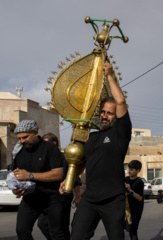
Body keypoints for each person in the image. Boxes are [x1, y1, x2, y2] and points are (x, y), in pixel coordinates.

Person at [60, 61, 132, 240]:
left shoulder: (120, 134)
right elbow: (81, 164)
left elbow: (121, 101)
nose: (105, 115)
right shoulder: (90, 138)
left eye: (110, 113)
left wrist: (109, 75)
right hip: (90, 199)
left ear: (116, 117)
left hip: (113, 199)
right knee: (77, 236)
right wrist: (67, 180)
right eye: (103, 112)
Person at [11, 120, 68, 240]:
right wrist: (16, 189)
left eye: (25, 137)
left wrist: (30, 176)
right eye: (19, 138)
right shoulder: (19, 151)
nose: (22, 141)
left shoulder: (50, 148)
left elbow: (58, 174)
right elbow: (15, 174)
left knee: (58, 233)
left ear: (35, 132)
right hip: (30, 199)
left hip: (52, 199)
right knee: (22, 231)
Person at [37, 133, 82, 239]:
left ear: (54, 143)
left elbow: (75, 177)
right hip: (47, 198)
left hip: (63, 197)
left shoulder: (65, 158)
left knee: (61, 226)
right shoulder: (44, 159)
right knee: (43, 224)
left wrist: (78, 196)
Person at [125, 160, 144, 240]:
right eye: (129, 169)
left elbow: (140, 198)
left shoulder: (140, 182)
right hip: (126, 207)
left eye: (132, 169)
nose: (129, 171)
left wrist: (130, 190)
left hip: (136, 209)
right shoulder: (125, 179)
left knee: (133, 230)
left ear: (138, 171)